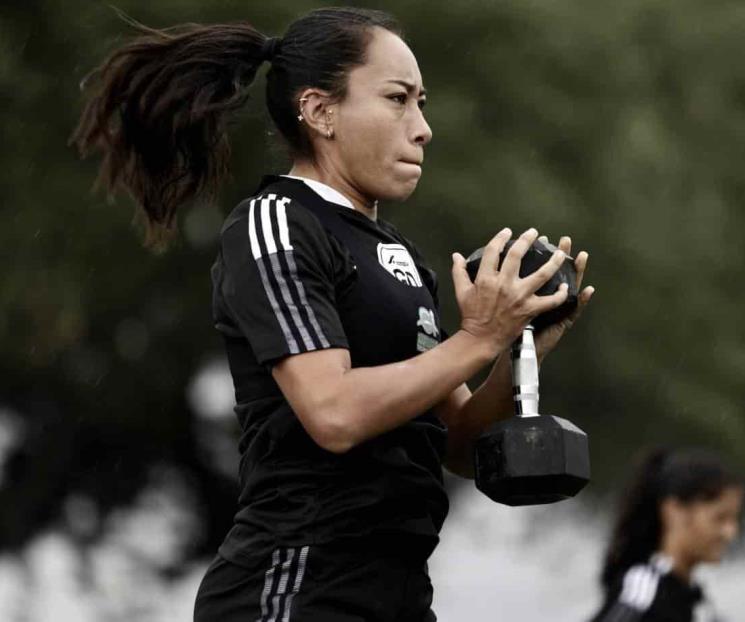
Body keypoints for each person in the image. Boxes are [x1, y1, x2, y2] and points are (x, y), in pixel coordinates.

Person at [71, 7, 594, 621]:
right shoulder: (277, 223)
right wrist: (479, 336)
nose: (423, 127)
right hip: (295, 587)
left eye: (422, 102)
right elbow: (334, 412)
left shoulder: (402, 259)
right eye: (398, 99)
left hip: (396, 596)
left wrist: (516, 348)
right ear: (321, 112)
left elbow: (456, 443)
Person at [590, 447, 744, 622]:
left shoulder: (697, 603)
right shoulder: (644, 591)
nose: (730, 533)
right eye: (719, 518)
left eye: (734, 520)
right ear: (674, 511)